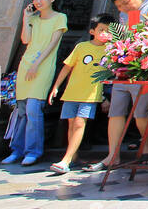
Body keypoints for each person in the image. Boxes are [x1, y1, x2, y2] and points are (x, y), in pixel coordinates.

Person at [90, 0, 148, 172]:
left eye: (126, 3)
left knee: (141, 112)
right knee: (116, 111)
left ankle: (147, 147)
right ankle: (113, 155)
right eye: (119, 6)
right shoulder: (124, 15)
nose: (123, 9)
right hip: (125, 66)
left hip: (146, 67)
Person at [3, 0, 67, 166]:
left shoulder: (60, 18)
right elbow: (25, 40)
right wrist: (26, 19)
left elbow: (52, 45)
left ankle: (33, 151)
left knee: (33, 108)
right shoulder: (34, 19)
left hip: (43, 66)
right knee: (21, 110)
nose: (38, 1)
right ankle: (17, 149)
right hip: (26, 65)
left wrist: (36, 65)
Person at [47, 14, 114, 173]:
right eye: (101, 30)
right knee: (71, 125)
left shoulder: (111, 50)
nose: (105, 33)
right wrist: (56, 86)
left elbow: (111, 74)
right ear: (92, 31)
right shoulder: (81, 47)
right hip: (72, 91)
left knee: (79, 123)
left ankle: (66, 160)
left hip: (91, 94)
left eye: (109, 31)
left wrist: (104, 97)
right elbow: (67, 67)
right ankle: (73, 155)